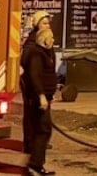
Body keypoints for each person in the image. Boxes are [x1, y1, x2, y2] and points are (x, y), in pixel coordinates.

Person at [20, 25, 58, 175]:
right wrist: (41, 96)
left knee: (43, 130)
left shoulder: (45, 53)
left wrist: (50, 94)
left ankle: (35, 163)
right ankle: (35, 163)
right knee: (44, 130)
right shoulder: (36, 55)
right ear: (45, 40)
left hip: (45, 97)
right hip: (39, 98)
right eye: (51, 37)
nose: (53, 40)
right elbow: (35, 77)